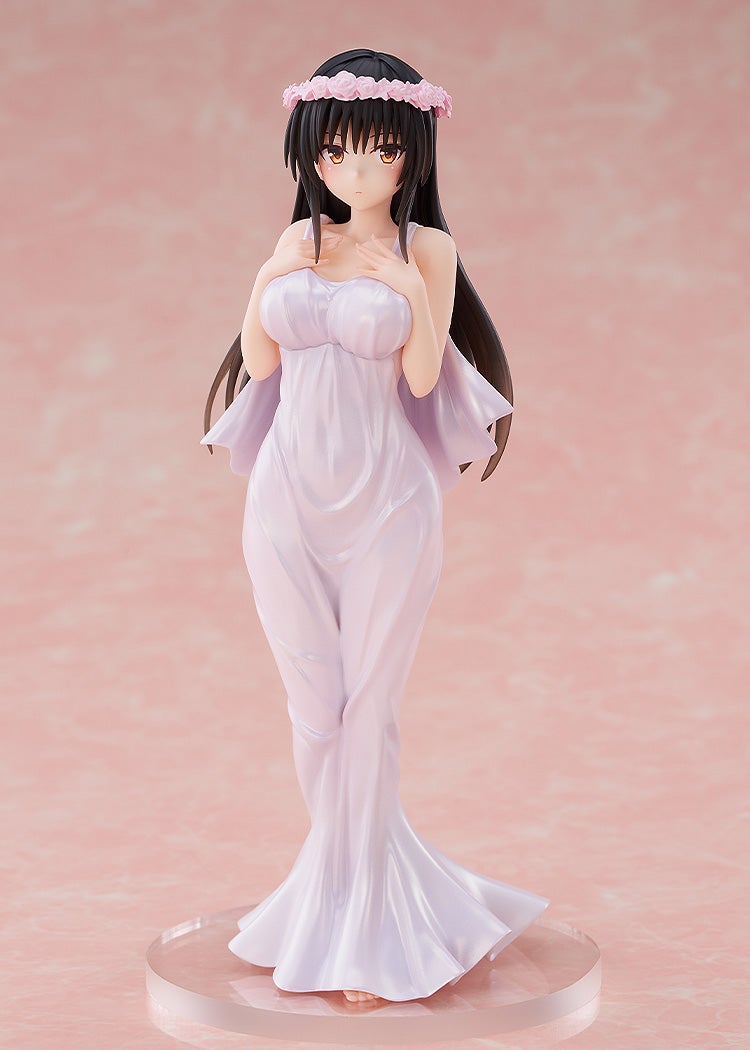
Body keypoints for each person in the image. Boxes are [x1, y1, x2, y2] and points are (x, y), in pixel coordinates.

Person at [200, 48, 549, 1005]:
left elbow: (426, 376)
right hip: (286, 496)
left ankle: (364, 930)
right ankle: (338, 894)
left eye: (382, 153)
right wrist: (268, 274)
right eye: (338, 154)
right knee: (314, 710)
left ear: (412, 157)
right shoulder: (297, 239)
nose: (357, 172)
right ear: (312, 156)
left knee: (369, 712)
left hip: (389, 502)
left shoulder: (425, 250)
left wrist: (408, 290)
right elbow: (260, 361)